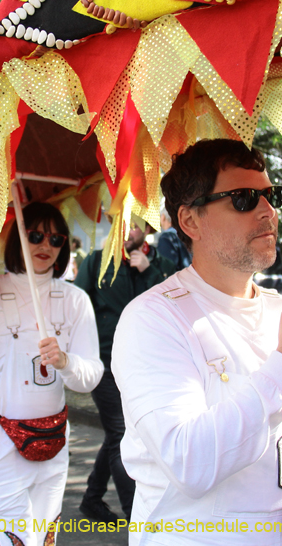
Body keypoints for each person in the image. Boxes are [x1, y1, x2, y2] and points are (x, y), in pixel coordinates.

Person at [112, 139, 282, 546]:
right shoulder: (152, 319)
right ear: (190, 221)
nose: (268, 211)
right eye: (244, 198)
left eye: (272, 196)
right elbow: (188, 462)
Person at [0, 202, 103, 546]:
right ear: (18, 238)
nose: (46, 245)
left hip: (53, 438)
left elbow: (90, 375)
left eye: (56, 239)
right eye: (36, 236)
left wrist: (66, 362)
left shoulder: (75, 300)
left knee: (44, 538)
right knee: (11, 540)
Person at [74, 220, 175, 522]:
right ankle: (136, 517)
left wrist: (149, 272)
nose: (128, 230)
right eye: (124, 222)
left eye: (135, 225)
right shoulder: (97, 262)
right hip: (104, 363)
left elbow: (171, 306)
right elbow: (77, 307)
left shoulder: (161, 266)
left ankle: (92, 498)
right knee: (120, 434)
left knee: (118, 435)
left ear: (148, 230)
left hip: (145, 366)